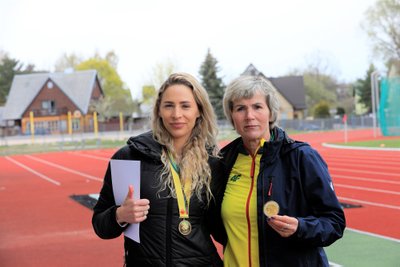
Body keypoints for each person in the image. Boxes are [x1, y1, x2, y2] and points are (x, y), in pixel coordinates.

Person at [92, 72, 224, 266]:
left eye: (185, 106)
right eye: (169, 105)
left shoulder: (214, 162)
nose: (176, 114)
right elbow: (100, 225)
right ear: (159, 110)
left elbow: (225, 229)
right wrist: (119, 215)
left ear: (199, 111)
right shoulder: (128, 157)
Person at [219, 75, 346, 266]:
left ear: (270, 113)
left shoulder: (301, 156)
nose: (249, 116)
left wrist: (301, 227)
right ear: (231, 116)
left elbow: (334, 222)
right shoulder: (224, 160)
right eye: (240, 108)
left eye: (257, 107)